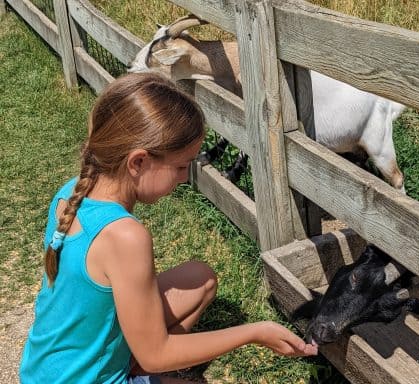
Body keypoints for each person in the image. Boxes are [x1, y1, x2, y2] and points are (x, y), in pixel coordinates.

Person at [19, 72, 318, 384]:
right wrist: (254, 332)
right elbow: (156, 355)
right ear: (138, 162)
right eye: (179, 166)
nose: (184, 177)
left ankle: (133, 362)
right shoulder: (125, 236)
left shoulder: (73, 191)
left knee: (199, 279)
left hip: (44, 372)